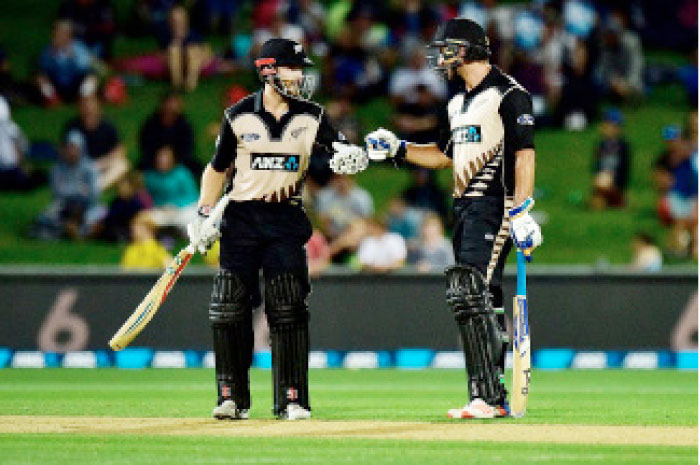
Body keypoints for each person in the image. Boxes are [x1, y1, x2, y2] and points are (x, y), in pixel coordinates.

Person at [365, 18, 542, 419]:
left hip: (495, 204)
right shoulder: (457, 101)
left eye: (446, 49)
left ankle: (488, 397)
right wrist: (397, 148)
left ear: (466, 50)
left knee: (472, 291)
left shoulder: (508, 95)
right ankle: (489, 392)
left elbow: (524, 156)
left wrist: (522, 211)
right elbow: (444, 155)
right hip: (463, 207)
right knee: (477, 297)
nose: (440, 57)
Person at [185, 38, 368, 421]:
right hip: (241, 220)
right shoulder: (237, 115)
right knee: (229, 308)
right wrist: (203, 213)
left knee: (288, 307)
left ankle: (292, 398)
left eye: (302, 69)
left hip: (285, 219)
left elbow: (340, 149)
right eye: (293, 68)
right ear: (269, 71)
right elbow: (217, 169)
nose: (300, 76)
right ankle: (231, 397)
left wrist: (349, 154)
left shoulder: (312, 116)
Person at [63, 95, 129, 190]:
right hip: (81, 166)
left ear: (97, 108)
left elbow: (119, 151)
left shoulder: (108, 125)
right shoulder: (72, 127)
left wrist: (102, 163)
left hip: (103, 165)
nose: (88, 111)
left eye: (91, 108)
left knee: (122, 164)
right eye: (84, 107)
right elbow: (65, 152)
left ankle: (96, 186)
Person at [590, 108, 630, 209]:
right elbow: (597, 167)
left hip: (615, 184)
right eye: (606, 125)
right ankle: (601, 199)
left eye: (612, 126)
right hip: (602, 182)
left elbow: (624, 170)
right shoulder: (601, 146)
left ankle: (616, 200)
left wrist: (616, 183)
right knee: (597, 201)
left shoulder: (623, 146)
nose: (608, 129)